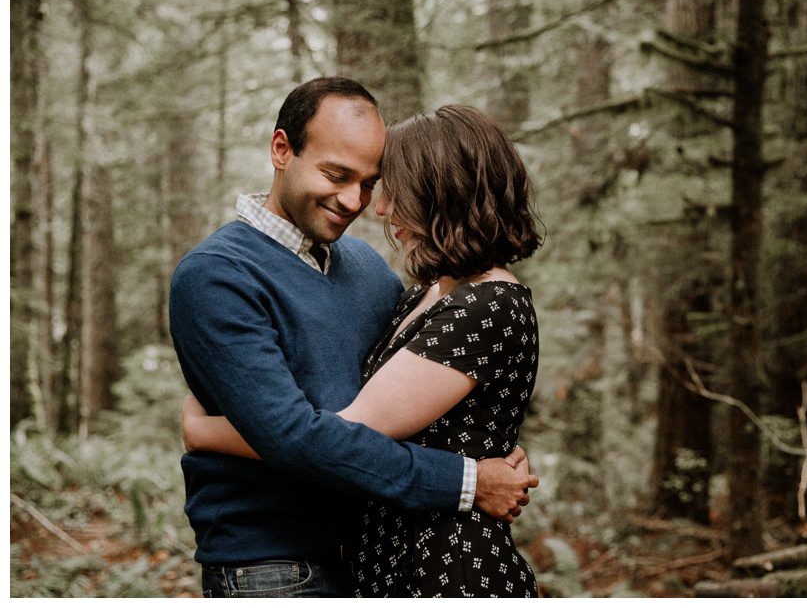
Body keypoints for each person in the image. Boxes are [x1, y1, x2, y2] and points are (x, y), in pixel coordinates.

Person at [170, 79, 538, 597]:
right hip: (274, 566)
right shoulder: (217, 275)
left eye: (370, 183)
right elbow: (297, 439)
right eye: (336, 174)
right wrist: (469, 480)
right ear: (282, 150)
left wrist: (491, 446)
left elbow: (413, 395)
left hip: (375, 560)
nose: (355, 201)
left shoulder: (368, 270)